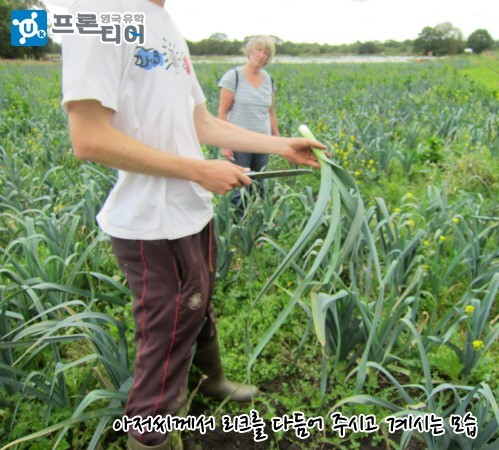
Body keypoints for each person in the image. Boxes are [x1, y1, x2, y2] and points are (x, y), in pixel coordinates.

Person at [61, 1, 325, 449]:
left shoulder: (164, 22)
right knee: (165, 331)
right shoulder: (101, 13)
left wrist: (281, 145)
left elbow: (200, 122)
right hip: (151, 222)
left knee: (197, 303)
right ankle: (149, 437)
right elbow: (89, 138)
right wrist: (198, 170)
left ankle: (209, 381)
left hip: (191, 211)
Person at [218, 35, 279, 214]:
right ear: (250, 51)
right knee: (240, 187)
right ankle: (239, 224)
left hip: (262, 142)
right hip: (239, 142)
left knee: (259, 185)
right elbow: (222, 112)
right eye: (259, 50)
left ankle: (257, 223)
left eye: (266, 53)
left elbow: (271, 112)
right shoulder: (234, 77)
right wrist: (224, 143)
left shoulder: (268, 80)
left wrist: (278, 140)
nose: (262, 55)